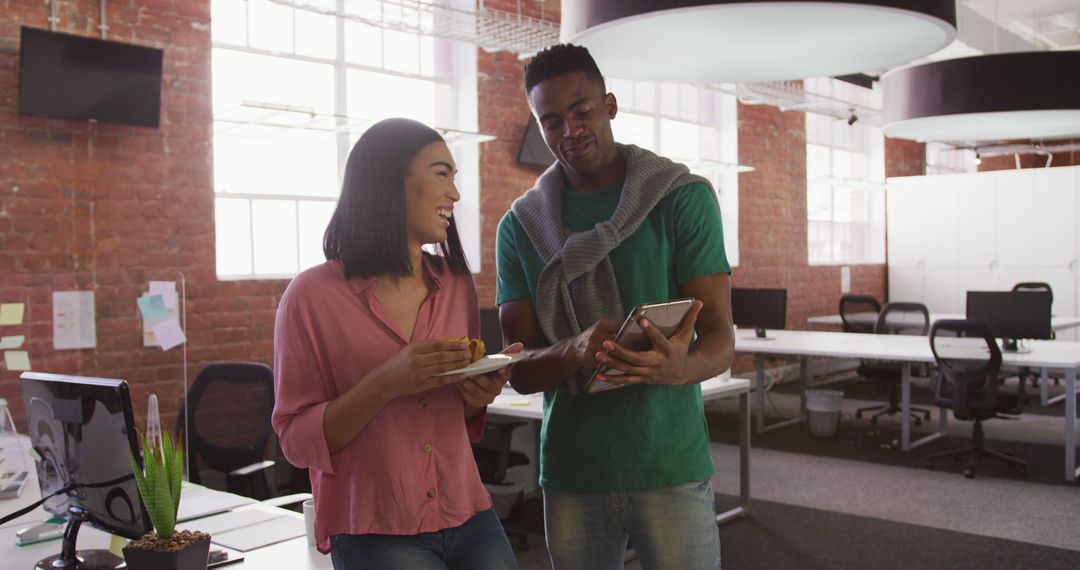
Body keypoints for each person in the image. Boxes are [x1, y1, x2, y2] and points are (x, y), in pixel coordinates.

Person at [495, 44, 735, 569]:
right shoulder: (521, 227)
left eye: (582, 112)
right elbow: (519, 370)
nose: (570, 132)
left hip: (668, 462)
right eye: (551, 121)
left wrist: (682, 368)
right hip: (574, 470)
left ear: (610, 105)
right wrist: (574, 349)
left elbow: (720, 339)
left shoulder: (681, 197)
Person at [273, 118, 519, 570]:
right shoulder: (310, 297)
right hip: (376, 527)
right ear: (389, 183)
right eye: (442, 174)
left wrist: (476, 394)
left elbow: (452, 413)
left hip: (468, 511)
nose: (456, 194)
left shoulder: (457, 284)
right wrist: (386, 382)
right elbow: (294, 439)